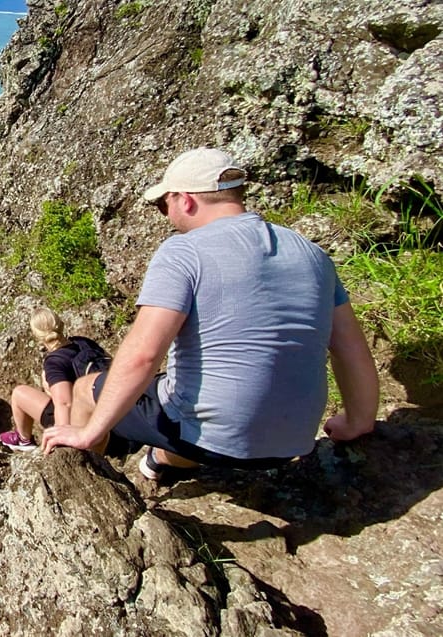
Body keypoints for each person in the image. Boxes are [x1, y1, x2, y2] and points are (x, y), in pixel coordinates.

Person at [41, 147, 379, 480]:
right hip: (293, 441)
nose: (166, 213)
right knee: (181, 400)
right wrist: (358, 420)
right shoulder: (312, 255)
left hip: (215, 438)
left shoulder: (184, 252)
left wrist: (88, 433)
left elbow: (143, 355)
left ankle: (98, 493)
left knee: (87, 389)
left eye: (164, 204)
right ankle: (162, 460)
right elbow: (350, 347)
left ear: (185, 200)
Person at [0, 308, 110, 451]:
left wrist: (63, 443)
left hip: (85, 424)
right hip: (111, 411)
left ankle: (23, 440)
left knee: (19, 393)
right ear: (61, 324)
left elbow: (65, 403)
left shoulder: (55, 362)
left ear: (37, 336)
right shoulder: (84, 342)